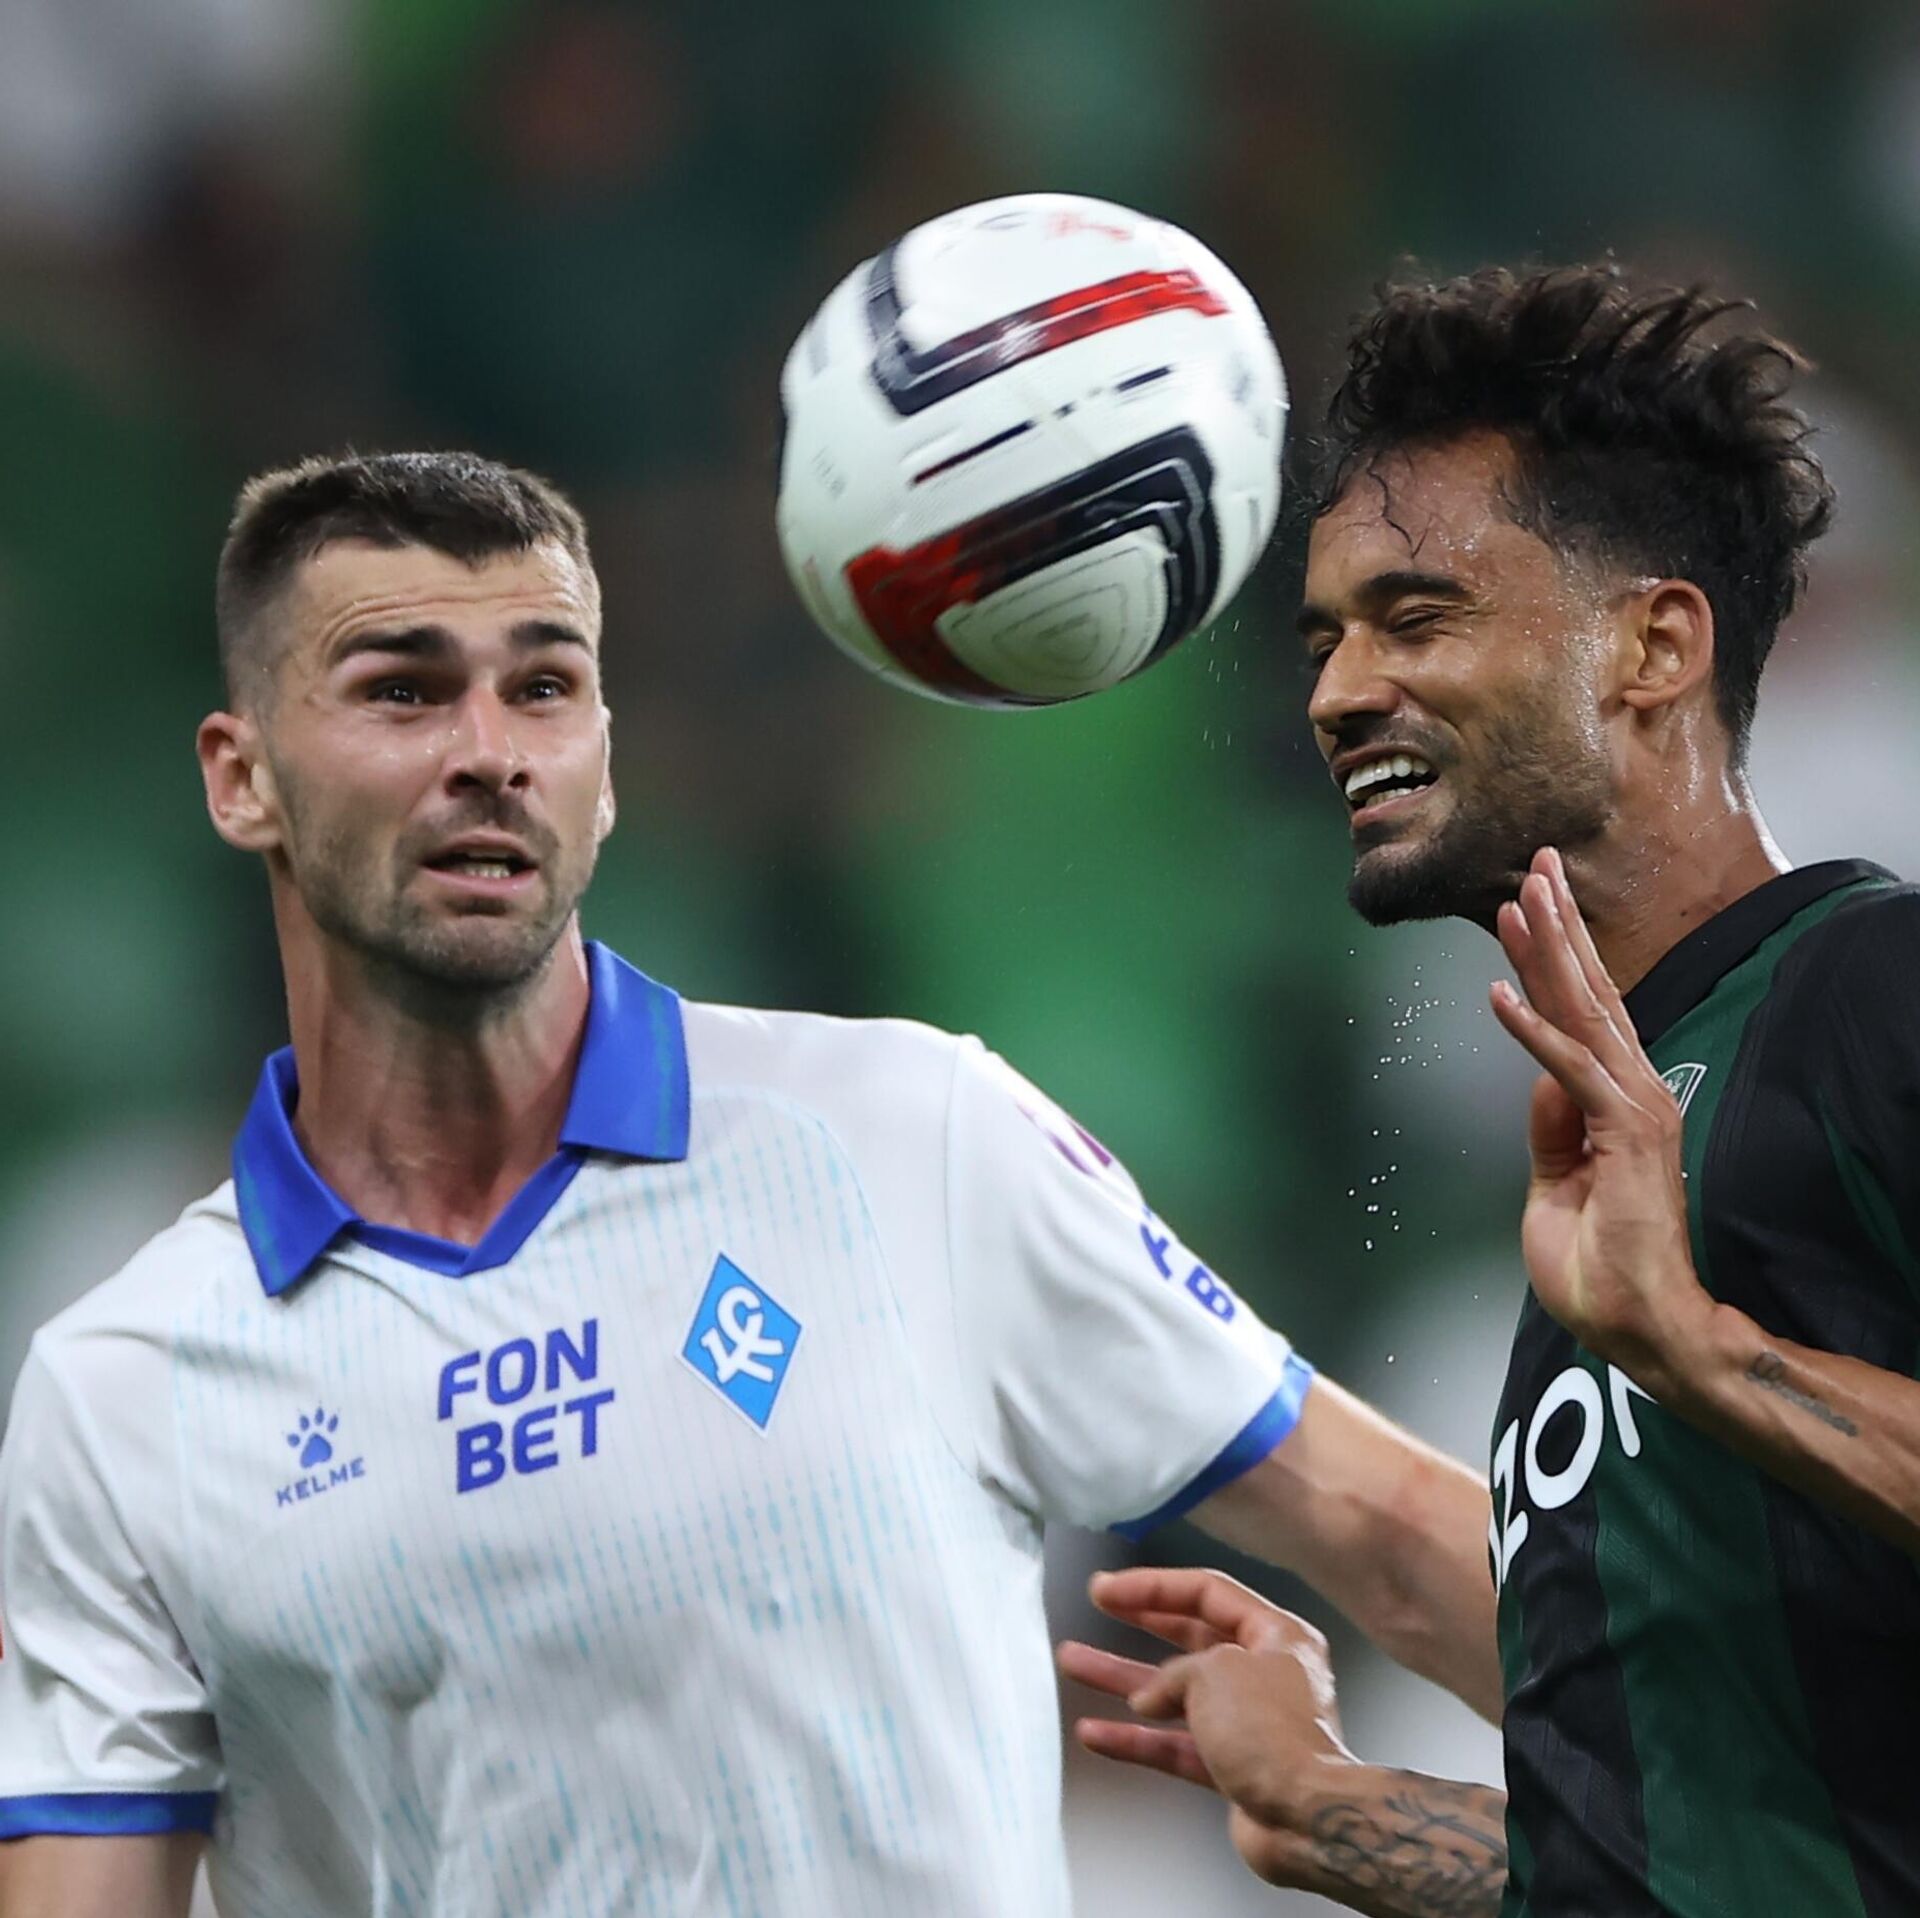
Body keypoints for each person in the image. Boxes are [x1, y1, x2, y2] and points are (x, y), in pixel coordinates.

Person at [0, 451, 1499, 1918]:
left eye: (544, 686)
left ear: (603, 763)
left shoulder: (914, 1140)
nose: (489, 751)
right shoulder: (122, 1398)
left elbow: (1395, 1538)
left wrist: (1658, 1826)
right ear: (243, 777)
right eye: (403, 690)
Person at [1062, 265, 1920, 1917]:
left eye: (1417, 619)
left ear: (1654, 645)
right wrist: (1337, 1809)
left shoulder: (1870, 992)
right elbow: (1708, 1861)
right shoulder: (1602, 1154)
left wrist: (1705, 1353)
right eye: (1325, 638)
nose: (1336, 692)